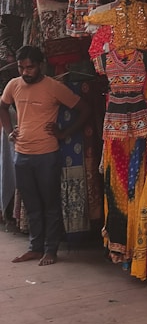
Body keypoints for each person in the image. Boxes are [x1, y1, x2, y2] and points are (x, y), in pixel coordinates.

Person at [0, 46, 88, 266]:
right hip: (21, 154)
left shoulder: (54, 87)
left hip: (47, 154)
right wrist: (9, 130)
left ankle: (50, 250)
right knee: (31, 204)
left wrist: (64, 133)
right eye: (21, 68)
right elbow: (2, 106)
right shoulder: (13, 85)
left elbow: (85, 109)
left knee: (50, 204)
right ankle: (34, 248)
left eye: (30, 67)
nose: (25, 72)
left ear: (40, 65)